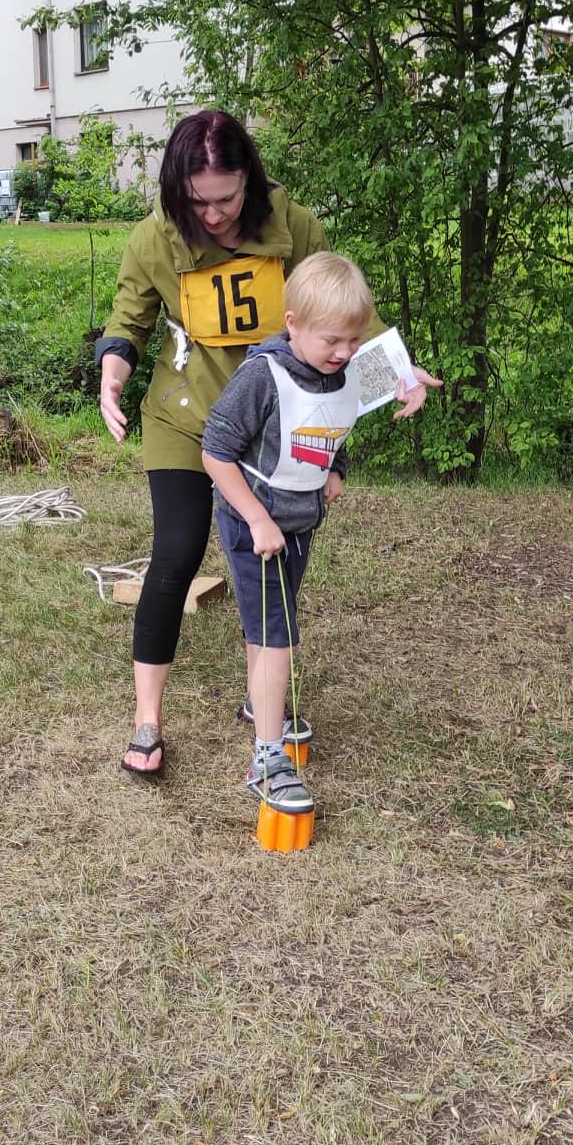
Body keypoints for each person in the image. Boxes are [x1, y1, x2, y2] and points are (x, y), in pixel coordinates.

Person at [97, 109, 440, 778]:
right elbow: (128, 317)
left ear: (249, 180)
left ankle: (263, 705)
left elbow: (339, 318)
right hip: (187, 415)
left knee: (274, 570)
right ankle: (146, 719)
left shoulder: (296, 227)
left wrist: (397, 371)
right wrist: (113, 372)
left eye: (225, 197)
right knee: (174, 554)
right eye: (197, 201)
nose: (214, 213)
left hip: (276, 425)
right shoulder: (153, 238)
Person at [202, 253, 374, 813]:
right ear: (293, 323)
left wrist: (336, 470)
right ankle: (268, 758)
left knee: (267, 625)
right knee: (279, 636)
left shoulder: (337, 372)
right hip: (256, 524)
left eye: (353, 340)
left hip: (297, 525)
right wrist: (256, 519)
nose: (344, 352)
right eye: (332, 340)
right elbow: (216, 453)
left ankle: (261, 706)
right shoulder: (262, 376)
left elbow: (332, 422)